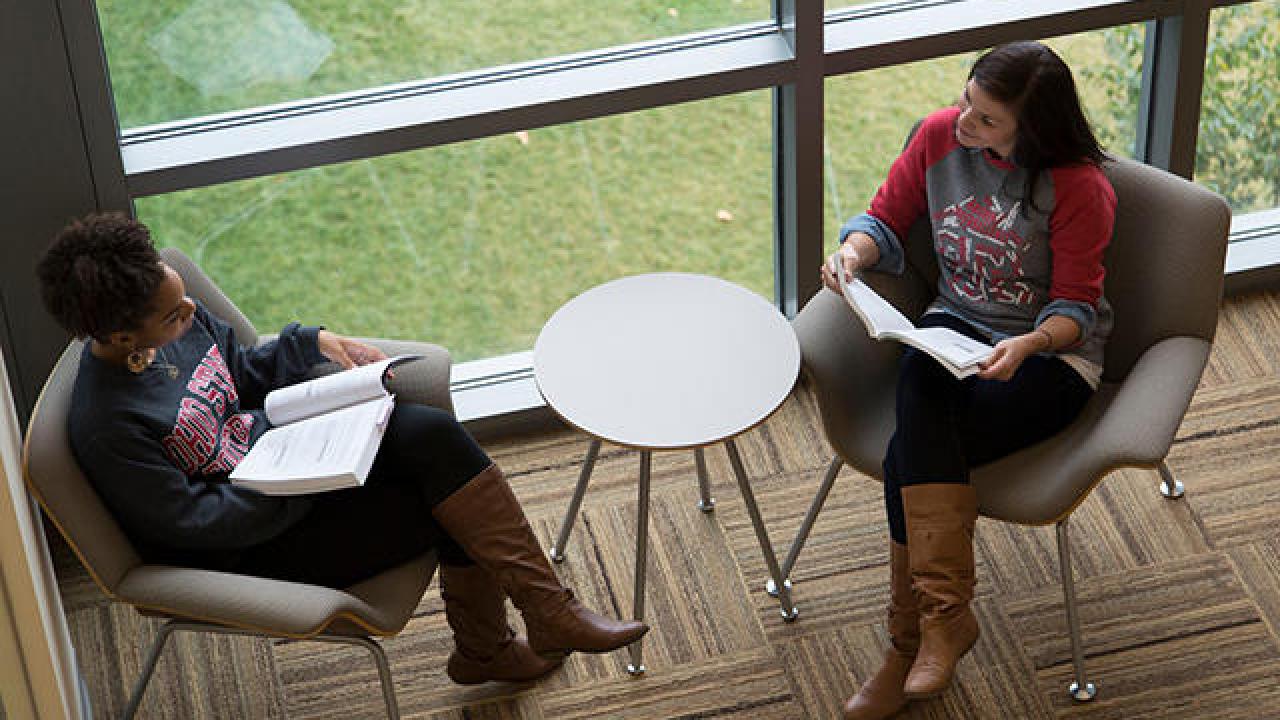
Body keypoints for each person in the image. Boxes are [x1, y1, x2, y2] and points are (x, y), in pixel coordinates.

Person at [37, 212, 647, 687]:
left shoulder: (169, 321)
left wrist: (315, 342)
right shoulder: (107, 426)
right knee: (445, 501)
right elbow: (195, 525)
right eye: (173, 315)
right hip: (255, 546)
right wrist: (301, 483)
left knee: (433, 439)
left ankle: (546, 614)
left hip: (284, 471)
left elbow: (241, 371)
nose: (190, 312)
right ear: (122, 338)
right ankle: (492, 648)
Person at [821, 41, 1115, 719]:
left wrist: (1030, 342)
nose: (962, 124)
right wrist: (852, 255)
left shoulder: (1079, 188)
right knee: (922, 394)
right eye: (965, 103)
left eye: (985, 120)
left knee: (909, 455)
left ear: (1030, 130)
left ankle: (909, 642)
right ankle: (941, 624)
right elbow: (885, 217)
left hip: (1048, 358)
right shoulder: (936, 137)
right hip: (952, 329)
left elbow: (1075, 306)